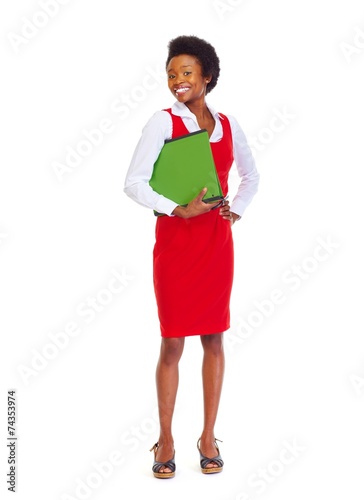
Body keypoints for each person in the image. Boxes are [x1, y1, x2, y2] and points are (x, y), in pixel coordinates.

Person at [124, 35, 259, 478]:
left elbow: (251, 176)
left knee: (215, 338)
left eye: (186, 72)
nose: (177, 80)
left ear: (208, 76)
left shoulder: (229, 124)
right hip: (177, 245)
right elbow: (135, 183)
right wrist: (178, 208)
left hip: (217, 244)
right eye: (171, 74)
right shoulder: (162, 123)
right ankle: (165, 438)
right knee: (172, 341)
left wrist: (234, 210)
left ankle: (207, 435)